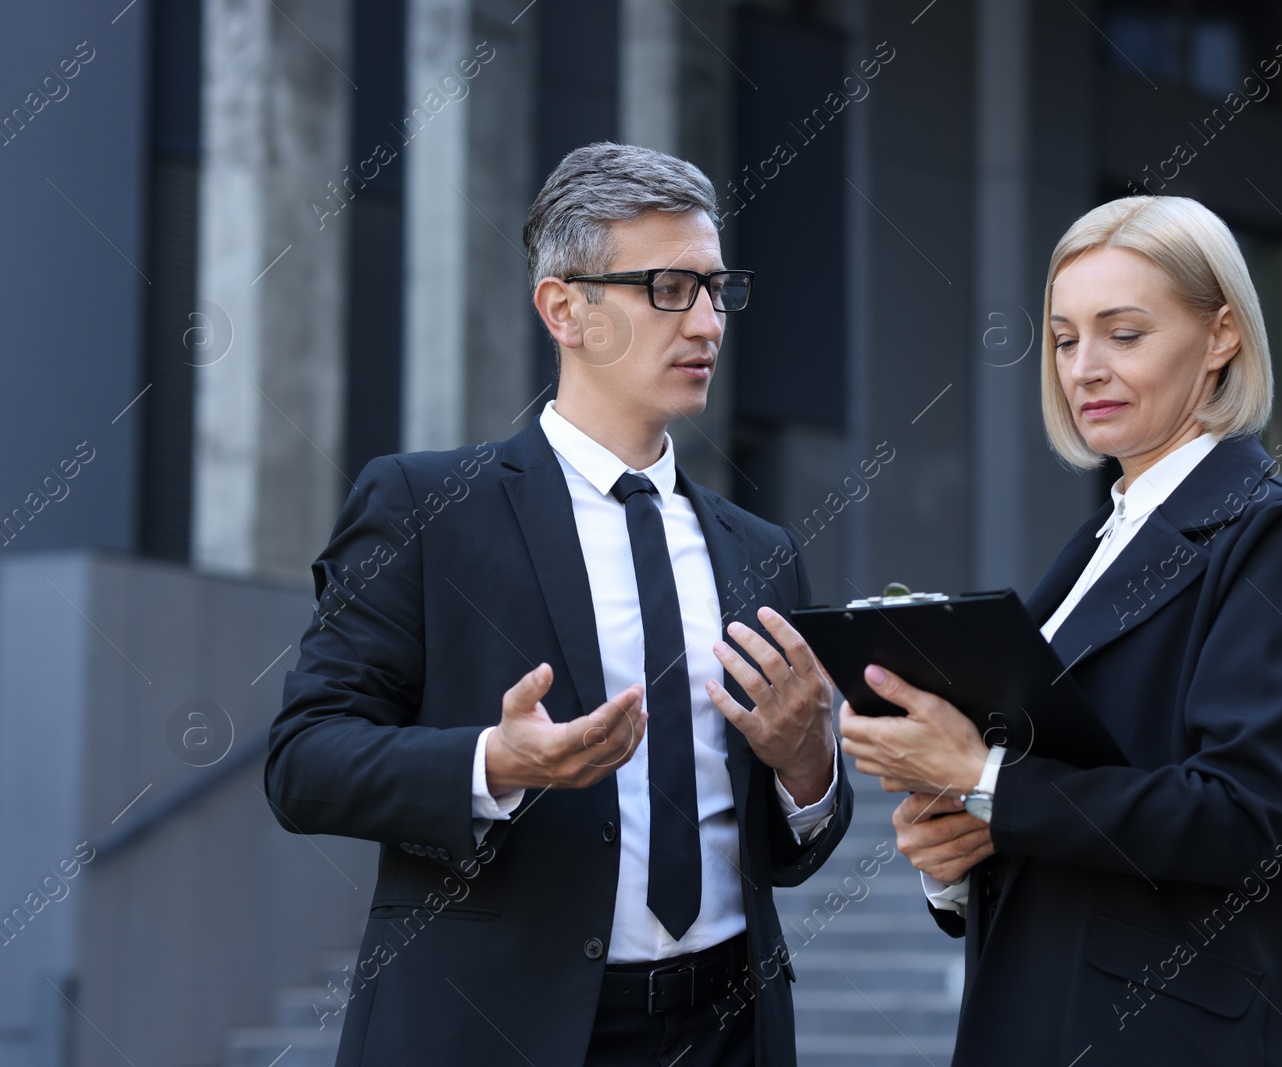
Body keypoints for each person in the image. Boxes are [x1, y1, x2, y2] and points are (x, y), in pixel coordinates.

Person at [267, 142, 851, 1067]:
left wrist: (808, 765)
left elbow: (787, 850)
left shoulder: (763, 553)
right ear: (565, 308)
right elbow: (303, 761)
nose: (705, 321)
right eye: (667, 287)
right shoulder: (426, 510)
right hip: (501, 1029)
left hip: (727, 1031)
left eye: (716, 288)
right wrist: (492, 761)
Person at [839, 195, 1282, 1065]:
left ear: (1222, 335)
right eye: (1066, 338)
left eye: (1124, 333)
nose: (1084, 368)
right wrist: (955, 852)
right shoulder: (1096, 546)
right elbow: (1060, 804)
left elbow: (1238, 816)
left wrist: (985, 778)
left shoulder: (1268, 532)